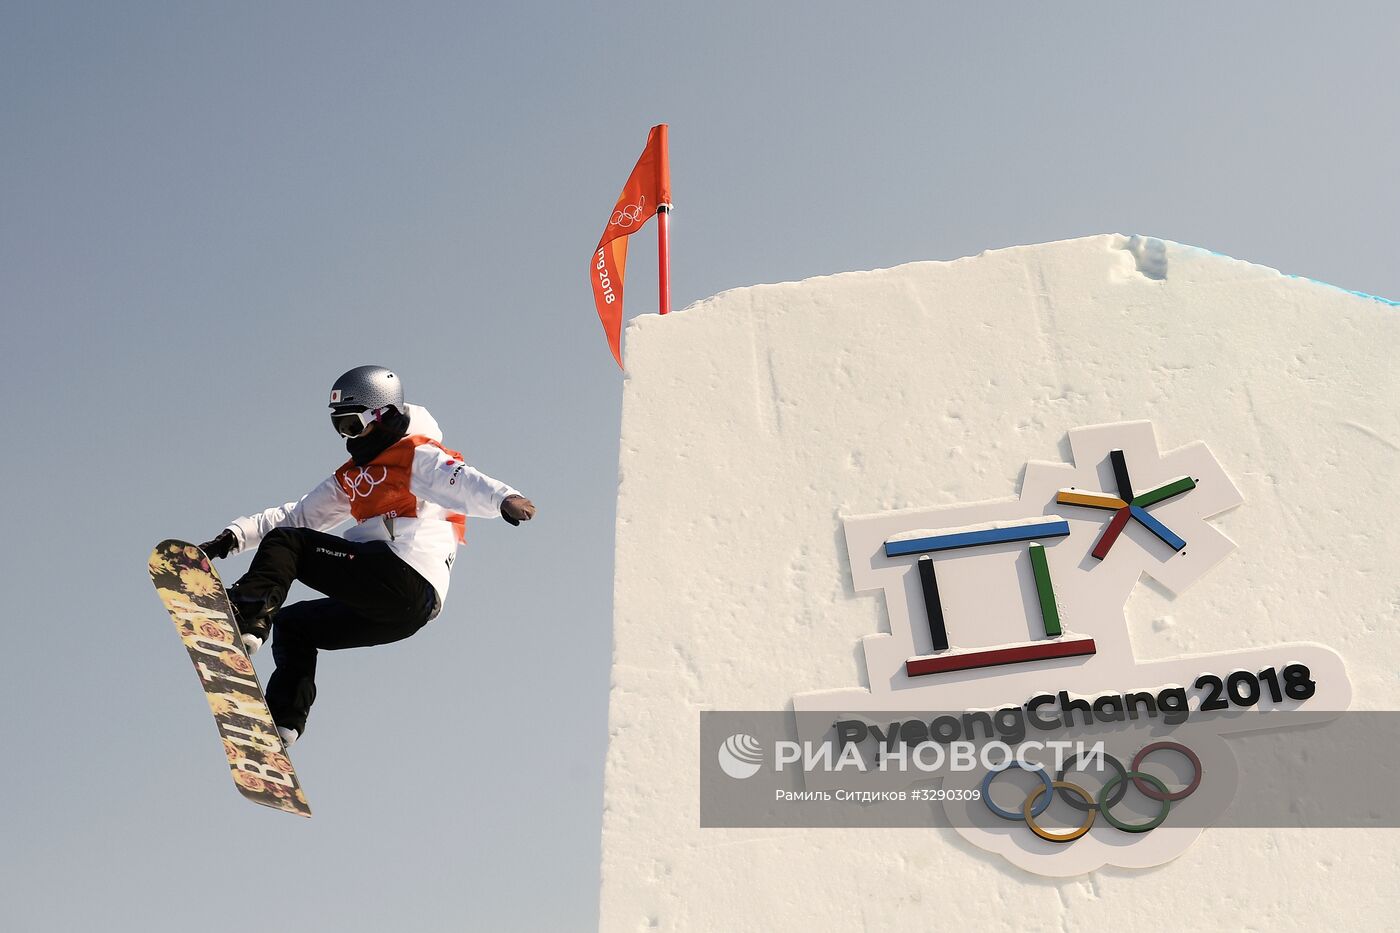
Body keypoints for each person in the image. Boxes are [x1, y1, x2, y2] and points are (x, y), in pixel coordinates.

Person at [198, 365, 535, 747]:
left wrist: (504, 498)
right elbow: (295, 516)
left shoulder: (415, 455)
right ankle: (282, 725)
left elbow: (459, 478)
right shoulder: (353, 476)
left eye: (353, 425)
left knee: (289, 543)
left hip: (403, 572)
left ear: (383, 414)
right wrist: (232, 538)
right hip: (405, 612)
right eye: (339, 427)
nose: (347, 437)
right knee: (293, 625)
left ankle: (247, 615)